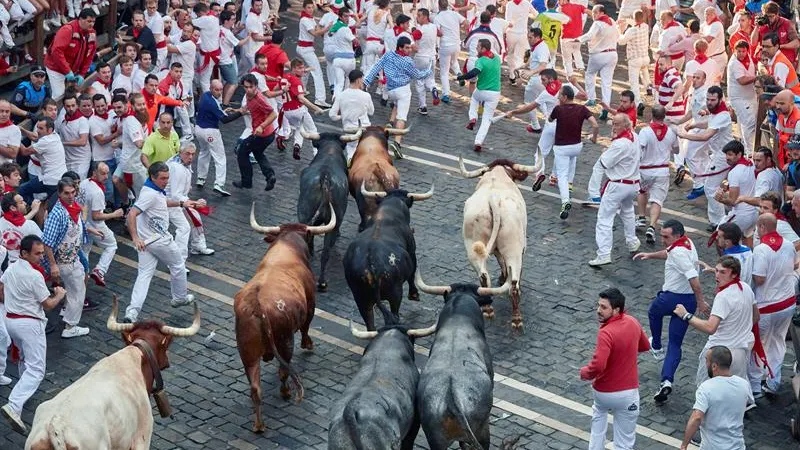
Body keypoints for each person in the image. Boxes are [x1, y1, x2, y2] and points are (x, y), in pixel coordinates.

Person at [633, 219, 708, 404]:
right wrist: (650, 256)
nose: (662, 239)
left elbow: (694, 279)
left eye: (666, 236)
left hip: (672, 298)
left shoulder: (678, 252)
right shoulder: (685, 242)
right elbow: (668, 253)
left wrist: (702, 301)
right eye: (661, 235)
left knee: (653, 312)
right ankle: (667, 380)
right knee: (675, 344)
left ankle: (656, 346)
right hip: (687, 302)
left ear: (676, 235)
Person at [0, 235, 66, 434]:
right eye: (36, 254)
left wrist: (12, 300)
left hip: (10, 320)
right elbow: (48, 305)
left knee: (23, 358)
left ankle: (22, 390)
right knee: (37, 369)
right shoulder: (34, 276)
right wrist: (60, 295)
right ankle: (14, 404)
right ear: (24, 253)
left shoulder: (11, 269)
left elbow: (1, 287)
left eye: (41, 253)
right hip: (29, 324)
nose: (40, 257)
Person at [125, 162, 195, 323]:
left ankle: (132, 312)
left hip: (146, 243)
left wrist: (182, 203)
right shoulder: (150, 194)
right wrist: (135, 238)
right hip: (159, 240)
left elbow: (161, 202)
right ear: (153, 177)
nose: (166, 181)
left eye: (167, 178)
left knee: (144, 275)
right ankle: (180, 297)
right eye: (163, 178)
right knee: (178, 265)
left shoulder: (153, 189)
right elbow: (132, 214)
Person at [580, 287, 649, 450]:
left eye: (604, 307)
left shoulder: (606, 332)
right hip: (628, 394)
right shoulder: (633, 322)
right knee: (624, 442)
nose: (598, 310)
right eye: (599, 306)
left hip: (604, 392)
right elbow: (645, 346)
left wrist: (585, 372)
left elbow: (598, 365)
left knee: (598, 416)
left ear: (616, 310)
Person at [676, 256, 756, 391]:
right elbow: (756, 316)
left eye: (722, 272)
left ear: (734, 274)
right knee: (735, 393)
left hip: (719, 354)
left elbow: (710, 327)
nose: (717, 275)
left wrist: (686, 315)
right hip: (741, 354)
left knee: (707, 392)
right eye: (716, 271)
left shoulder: (723, 296)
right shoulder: (746, 288)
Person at [749, 213, 796, 396]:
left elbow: (759, 279)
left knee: (759, 344)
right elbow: (793, 265)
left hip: (767, 306)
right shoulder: (788, 245)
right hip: (787, 303)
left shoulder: (761, 249)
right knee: (778, 343)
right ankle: (773, 381)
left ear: (761, 227)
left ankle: (755, 385)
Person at [42, 178, 94, 339]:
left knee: (75, 289)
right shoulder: (58, 214)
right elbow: (47, 242)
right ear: (59, 193)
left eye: (72, 192)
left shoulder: (72, 207)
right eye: (66, 193)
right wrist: (53, 265)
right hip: (64, 261)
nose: (70, 196)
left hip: (72, 257)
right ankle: (71, 325)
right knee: (78, 291)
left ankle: (67, 312)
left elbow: (78, 227)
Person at [675, 86, 734, 229]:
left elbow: (705, 136)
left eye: (713, 100)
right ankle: (721, 219)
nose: (709, 102)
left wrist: (684, 135)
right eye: (708, 99)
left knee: (710, 188)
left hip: (723, 157)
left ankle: (719, 222)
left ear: (720, 99)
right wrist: (695, 124)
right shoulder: (717, 112)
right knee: (713, 186)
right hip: (719, 155)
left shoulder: (722, 115)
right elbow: (709, 123)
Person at [364, 36, 432, 158]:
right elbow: (418, 75)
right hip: (403, 91)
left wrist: (366, 81)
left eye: (410, 47)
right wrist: (429, 70)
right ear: (400, 47)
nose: (409, 50)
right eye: (407, 48)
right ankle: (397, 143)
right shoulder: (408, 61)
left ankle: (390, 122)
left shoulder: (389, 55)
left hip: (390, 91)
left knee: (396, 104)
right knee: (402, 117)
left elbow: (376, 67)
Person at [589, 114, 641, 267]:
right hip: (633, 184)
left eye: (617, 124)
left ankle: (604, 253)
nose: (613, 126)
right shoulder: (635, 137)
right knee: (628, 211)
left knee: (604, 219)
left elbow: (603, 163)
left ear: (625, 126)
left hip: (618, 185)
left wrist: (593, 192)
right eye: (613, 123)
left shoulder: (620, 144)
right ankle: (632, 242)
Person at [679, 346, 751, 450]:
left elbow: (697, 417)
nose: (706, 364)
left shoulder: (706, 388)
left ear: (714, 366)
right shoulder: (744, 384)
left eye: (706, 361)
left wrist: (684, 445)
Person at [549, 85, 598, 219]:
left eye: (560, 95)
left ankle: (565, 201)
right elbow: (595, 124)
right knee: (572, 160)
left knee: (562, 176)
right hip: (576, 146)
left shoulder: (558, 109)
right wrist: (594, 137)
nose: (558, 97)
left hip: (561, 147)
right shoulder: (582, 108)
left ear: (564, 97)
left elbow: (549, 119)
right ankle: (570, 184)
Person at [227, 74, 278, 191]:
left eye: (251, 87)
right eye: (246, 87)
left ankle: (246, 182)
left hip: (262, 134)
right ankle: (270, 176)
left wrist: (261, 126)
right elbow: (246, 109)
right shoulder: (249, 96)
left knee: (242, 152)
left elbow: (273, 114)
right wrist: (236, 110)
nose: (248, 89)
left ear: (256, 86)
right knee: (258, 153)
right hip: (268, 134)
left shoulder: (259, 99)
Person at [637, 105, 679, 244]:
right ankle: (652, 225)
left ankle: (641, 216)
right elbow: (677, 150)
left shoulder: (645, 131)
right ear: (664, 116)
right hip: (662, 170)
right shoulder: (671, 132)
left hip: (645, 169)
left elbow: (639, 149)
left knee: (642, 191)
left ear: (651, 116)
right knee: (657, 200)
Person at [167, 143, 214, 264]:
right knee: (184, 228)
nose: (191, 157)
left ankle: (197, 245)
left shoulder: (182, 163)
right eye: (188, 154)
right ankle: (178, 261)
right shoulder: (177, 168)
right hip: (170, 203)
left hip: (179, 200)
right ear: (180, 153)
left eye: (193, 154)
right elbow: (175, 195)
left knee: (195, 218)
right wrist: (194, 203)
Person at [78, 162, 121, 287]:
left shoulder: (84, 183)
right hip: (95, 226)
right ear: (94, 173)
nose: (106, 176)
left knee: (85, 249)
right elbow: (96, 216)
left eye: (107, 173)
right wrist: (114, 214)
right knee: (111, 245)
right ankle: (100, 270)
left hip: (83, 224)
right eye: (102, 173)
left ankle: (82, 278)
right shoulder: (97, 192)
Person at [457, 39, 501, 152]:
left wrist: (461, 77)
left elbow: (474, 73)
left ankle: (473, 118)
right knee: (486, 120)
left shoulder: (480, 60)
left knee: (474, 99)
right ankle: (478, 142)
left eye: (478, 47)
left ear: (483, 49)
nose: (476, 48)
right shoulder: (497, 58)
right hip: (495, 93)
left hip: (481, 91)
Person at [276, 59, 325, 159]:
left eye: (303, 68)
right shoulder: (297, 82)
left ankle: (297, 145)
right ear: (293, 69)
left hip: (287, 112)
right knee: (313, 131)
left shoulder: (284, 78)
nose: (302, 70)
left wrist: (283, 90)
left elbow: (275, 89)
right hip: (298, 110)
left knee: (299, 127)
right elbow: (301, 98)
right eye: (299, 68)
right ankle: (317, 155)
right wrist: (316, 108)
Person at [44, 8, 97, 99]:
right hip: (55, 67)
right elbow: (56, 52)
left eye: (93, 21)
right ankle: (53, 112)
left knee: (73, 95)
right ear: (80, 19)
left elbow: (90, 55)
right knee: (59, 95)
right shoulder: (68, 30)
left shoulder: (92, 33)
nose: (91, 24)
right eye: (89, 21)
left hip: (73, 69)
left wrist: (82, 74)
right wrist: (67, 71)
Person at [714, 141, 758, 245]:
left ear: (739, 154)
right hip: (755, 212)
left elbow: (733, 201)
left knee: (718, 237)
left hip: (742, 214)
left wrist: (720, 199)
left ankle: (726, 261)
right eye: (726, 154)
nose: (727, 157)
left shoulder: (735, 172)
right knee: (747, 241)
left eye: (730, 154)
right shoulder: (751, 164)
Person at [579, 5, 619, 121]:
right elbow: (617, 35)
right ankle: (605, 106)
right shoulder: (611, 21)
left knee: (590, 74)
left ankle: (591, 98)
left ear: (602, 12)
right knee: (607, 83)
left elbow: (589, 35)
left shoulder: (597, 23)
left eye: (595, 12)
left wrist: (578, 39)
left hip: (598, 55)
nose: (594, 15)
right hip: (612, 54)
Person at [17, 117, 67, 206]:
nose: (38, 131)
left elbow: (24, 152)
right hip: (59, 179)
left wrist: (15, 135)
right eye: (37, 127)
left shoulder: (46, 141)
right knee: (49, 206)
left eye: (41, 128)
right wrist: (23, 130)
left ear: (50, 130)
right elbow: (36, 138)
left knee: (21, 190)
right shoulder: (55, 135)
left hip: (49, 180)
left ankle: (33, 206)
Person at [330, 69, 374, 162]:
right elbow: (371, 112)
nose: (363, 82)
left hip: (349, 129)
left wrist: (344, 116)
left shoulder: (341, 96)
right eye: (362, 79)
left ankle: (350, 161)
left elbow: (332, 116)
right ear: (358, 80)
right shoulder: (366, 95)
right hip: (365, 129)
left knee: (351, 151)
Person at [296, 0, 331, 107]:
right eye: (309, 8)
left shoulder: (310, 19)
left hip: (305, 48)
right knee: (317, 73)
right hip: (305, 49)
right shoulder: (305, 20)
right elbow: (315, 33)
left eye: (312, 7)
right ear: (304, 8)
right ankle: (320, 99)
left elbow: (317, 29)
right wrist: (327, 28)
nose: (311, 10)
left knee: (305, 69)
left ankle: (302, 90)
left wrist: (324, 29)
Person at [727, 40, 757, 153]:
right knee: (749, 123)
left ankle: (744, 147)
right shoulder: (734, 63)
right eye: (738, 51)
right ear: (735, 51)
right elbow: (742, 80)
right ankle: (750, 151)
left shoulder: (748, 57)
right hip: (739, 98)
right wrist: (756, 78)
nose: (741, 54)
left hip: (750, 96)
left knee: (744, 123)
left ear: (747, 51)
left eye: (743, 51)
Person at [618, 11, 650, 116]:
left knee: (634, 83)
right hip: (645, 57)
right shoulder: (646, 26)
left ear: (633, 17)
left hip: (635, 59)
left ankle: (638, 102)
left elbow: (621, 41)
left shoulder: (631, 30)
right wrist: (627, 20)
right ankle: (648, 87)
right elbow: (637, 21)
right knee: (645, 73)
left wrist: (620, 31)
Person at [88, 94, 119, 200]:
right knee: (107, 191)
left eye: (102, 106)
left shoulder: (111, 115)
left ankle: (117, 213)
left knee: (116, 188)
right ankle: (104, 214)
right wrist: (116, 133)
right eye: (97, 106)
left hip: (112, 157)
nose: (101, 109)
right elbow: (101, 141)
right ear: (94, 106)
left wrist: (114, 129)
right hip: (100, 160)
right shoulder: (92, 121)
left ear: (106, 104)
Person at [521, 28, 550, 133]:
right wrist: (525, 65)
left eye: (531, 37)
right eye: (528, 37)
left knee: (529, 102)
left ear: (537, 37)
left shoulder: (541, 48)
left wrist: (531, 72)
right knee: (541, 101)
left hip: (538, 79)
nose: (528, 39)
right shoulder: (537, 45)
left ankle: (535, 125)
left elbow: (543, 65)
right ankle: (549, 121)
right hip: (541, 79)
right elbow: (533, 57)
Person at [0, 192, 42, 263]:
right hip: (25, 267)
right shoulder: (30, 225)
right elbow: (41, 246)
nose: (25, 203)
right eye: (21, 202)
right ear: (13, 208)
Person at [412, 8, 439, 115]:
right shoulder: (433, 27)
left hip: (420, 57)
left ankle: (423, 106)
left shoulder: (420, 29)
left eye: (419, 15)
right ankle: (433, 89)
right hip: (432, 57)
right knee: (430, 78)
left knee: (419, 82)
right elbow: (440, 33)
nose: (417, 17)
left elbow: (412, 39)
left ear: (425, 17)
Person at [57, 93, 90, 178]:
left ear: (77, 105)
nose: (71, 108)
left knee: (78, 183)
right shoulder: (61, 120)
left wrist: (63, 143)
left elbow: (83, 141)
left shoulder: (82, 121)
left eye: (73, 105)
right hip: (67, 160)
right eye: (68, 106)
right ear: (64, 106)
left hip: (82, 160)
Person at [505, 0, 538, 86]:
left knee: (511, 54)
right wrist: (526, 15)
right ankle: (519, 70)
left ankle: (512, 75)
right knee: (526, 53)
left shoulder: (509, 4)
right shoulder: (527, 3)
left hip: (511, 33)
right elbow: (536, 15)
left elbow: (508, 21)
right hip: (522, 34)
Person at [192, 2, 221, 94]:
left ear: (200, 13)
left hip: (207, 54)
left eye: (197, 15)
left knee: (204, 81)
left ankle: (209, 102)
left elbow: (189, 22)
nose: (197, 17)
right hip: (214, 52)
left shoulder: (205, 19)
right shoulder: (215, 18)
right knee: (213, 78)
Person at [772, 90, 800, 168]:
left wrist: (791, 165)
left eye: (782, 103)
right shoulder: (781, 116)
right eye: (777, 103)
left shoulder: (798, 121)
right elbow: (777, 138)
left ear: (792, 104)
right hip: (782, 159)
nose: (778, 106)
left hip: (794, 165)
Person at [559, 0, 586, 77]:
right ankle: (581, 67)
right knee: (577, 51)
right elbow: (588, 11)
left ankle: (570, 74)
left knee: (567, 58)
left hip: (566, 37)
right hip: (578, 36)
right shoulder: (578, 6)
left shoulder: (560, 9)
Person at [0, 100, 21, 167]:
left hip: (3, 170)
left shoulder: (14, 130)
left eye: (7, 111)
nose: (4, 114)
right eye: (1, 111)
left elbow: (13, 154)